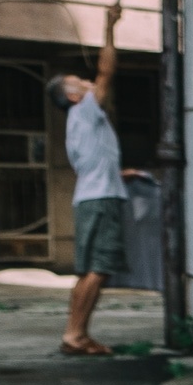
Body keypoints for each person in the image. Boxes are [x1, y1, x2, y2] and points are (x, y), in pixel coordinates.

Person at [52, 37, 137, 356]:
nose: (88, 83)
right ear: (73, 96)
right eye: (79, 82)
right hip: (101, 199)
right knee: (98, 268)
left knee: (89, 270)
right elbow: (106, 72)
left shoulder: (79, 123)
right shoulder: (85, 110)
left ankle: (76, 334)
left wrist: (118, 174)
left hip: (91, 196)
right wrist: (110, 28)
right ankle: (75, 334)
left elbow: (90, 163)